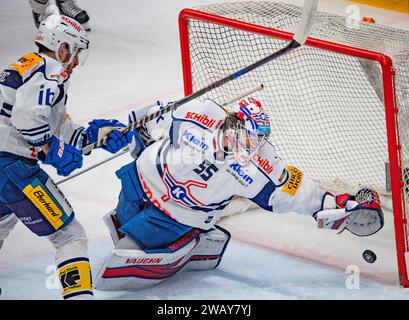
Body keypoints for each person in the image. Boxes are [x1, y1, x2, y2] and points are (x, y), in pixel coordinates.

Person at [94, 97, 384, 291]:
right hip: (138, 181)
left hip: (176, 218)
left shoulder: (261, 165)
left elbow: (298, 191)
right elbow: (148, 118)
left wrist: (339, 206)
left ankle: (190, 238)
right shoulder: (196, 113)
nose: (251, 147)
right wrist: (123, 129)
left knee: (128, 246)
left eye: (257, 142)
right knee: (120, 221)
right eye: (248, 138)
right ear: (233, 124)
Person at [0, 14, 132, 299]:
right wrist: (51, 148)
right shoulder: (50, 69)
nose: (75, 62)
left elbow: (55, 127)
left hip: (6, 168)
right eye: (75, 53)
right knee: (70, 236)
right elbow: (27, 119)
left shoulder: (26, 67)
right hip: (12, 168)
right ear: (62, 48)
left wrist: (98, 136)